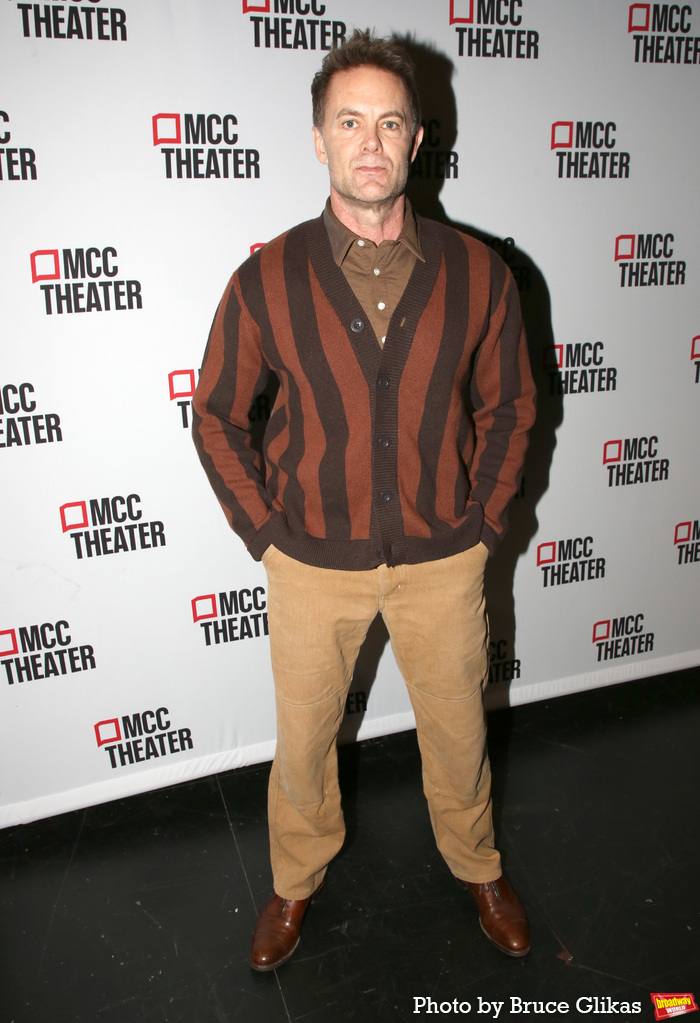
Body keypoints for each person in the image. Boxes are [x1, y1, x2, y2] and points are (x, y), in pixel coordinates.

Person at [192, 29, 536, 971]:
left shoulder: (479, 274)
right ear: (319, 139)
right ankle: (294, 883)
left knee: (461, 731)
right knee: (303, 744)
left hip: (443, 560)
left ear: (418, 139)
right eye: (351, 122)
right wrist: (267, 532)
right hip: (312, 563)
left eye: (391, 121)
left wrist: (482, 524)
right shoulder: (267, 277)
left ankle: (478, 866)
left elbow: (510, 407)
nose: (371, 141)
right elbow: (216, 413)